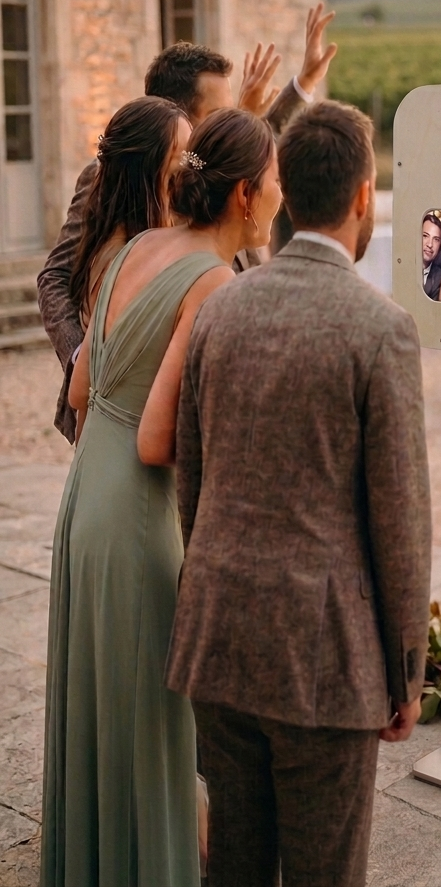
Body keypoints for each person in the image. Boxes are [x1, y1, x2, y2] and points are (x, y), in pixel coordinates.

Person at [165, 101, 431, 887]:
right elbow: (400, 519)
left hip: (217, 635)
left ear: (288, 190)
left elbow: (193, 480)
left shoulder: (220, 308)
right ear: (362, 197)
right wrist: (405, 670)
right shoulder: (379, 327)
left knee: (236, 868)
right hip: (324, 661)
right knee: (325, 872)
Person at [42, 108, 281, 887]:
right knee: (152, 715)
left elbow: (80, 385)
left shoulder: (135, 243)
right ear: (245, 196)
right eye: (274, 182)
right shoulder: (211, 281)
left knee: (100, 703)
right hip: (142, 512)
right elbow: (157, 440)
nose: (280, 194)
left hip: (86, 500)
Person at [37, 3, 336, 443]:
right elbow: (54, 277)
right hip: (119, 404)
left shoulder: (209, 173)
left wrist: (303, 85)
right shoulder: (107, 179)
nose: (224, 129)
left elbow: (252, 150)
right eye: (217, 116)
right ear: (175, 120)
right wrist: (88, 355)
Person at [69, 98, 191, 326]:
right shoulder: (125, 269)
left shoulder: (141, 251)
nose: (181, 194)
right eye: (173, 179)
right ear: (145, 180)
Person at [422, 213, 441, 300]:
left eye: (436, 239)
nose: (430, 244)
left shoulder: (439, 277)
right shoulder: (403, 266)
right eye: (425, 236)